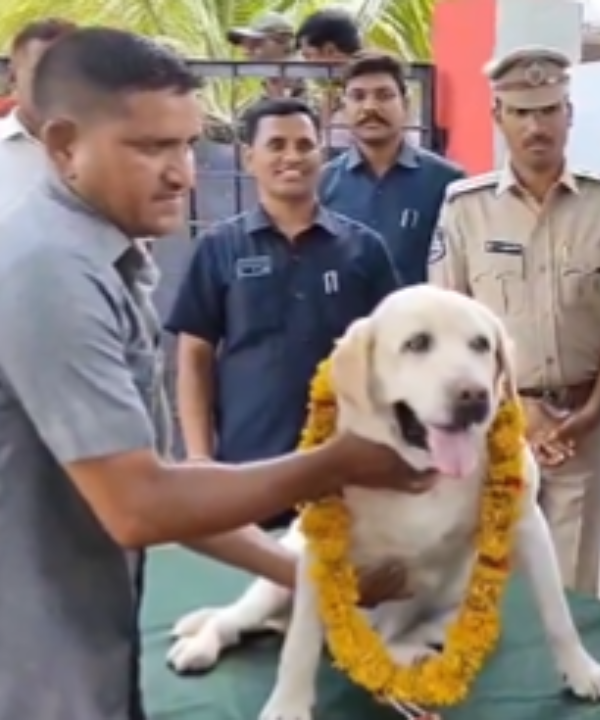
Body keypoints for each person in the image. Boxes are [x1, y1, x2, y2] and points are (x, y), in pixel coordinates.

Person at [0, 28, 431, 720]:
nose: (181, 172)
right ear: (61, 145)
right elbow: (140, 505)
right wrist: (337, 463)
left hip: (82, 648)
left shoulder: (102, 263)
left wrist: (317, 579)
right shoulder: (51, 274)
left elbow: (155, 482)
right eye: (148, 147)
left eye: (185, 144)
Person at [429, 47, 600, 596]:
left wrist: (595, 409)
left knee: (572, 588)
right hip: (492, 424)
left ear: (568, 114)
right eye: (521, 112)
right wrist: (515, 407)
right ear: (497, 116)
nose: (536, 125)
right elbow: (449, 324)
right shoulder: (465, 207)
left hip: (581, 425)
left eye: (548, 109)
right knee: (490, 583)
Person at [167, 97, 402, 529]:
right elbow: (195, 356)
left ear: (321, 155)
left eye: (304, 144)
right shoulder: (220, 248)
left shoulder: (364, 249)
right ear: (249, 157)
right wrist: (199, 456)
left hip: (345, 472)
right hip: (247, 472)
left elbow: (393, 358)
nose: (292, 156)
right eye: (276, 145)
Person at [320, 52, 463, 285]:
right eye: (358, 96)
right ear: (344, 108)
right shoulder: (323, 184)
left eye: (384, 96)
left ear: (405, 105)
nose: (370, 107)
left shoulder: (447, 182)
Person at [0, 18, 77, 212]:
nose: (58, 84)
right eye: (42, 73)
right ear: (12, 77)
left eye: (69, 72)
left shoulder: (111, 148)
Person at [296, 7, 363, 154]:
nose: (306, 64)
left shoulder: (360, 96)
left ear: (330, 50)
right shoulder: (338, 95)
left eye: (309, 56)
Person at [226, 12, 304, 100]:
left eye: (255, 44)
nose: (246, 52)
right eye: (245, 46)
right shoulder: (271, 81)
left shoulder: (312, 79)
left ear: (283, 40)